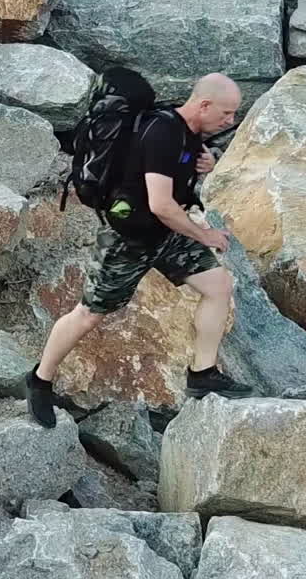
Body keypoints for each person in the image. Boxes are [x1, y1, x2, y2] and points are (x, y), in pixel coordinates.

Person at [26, 72, 254, 427]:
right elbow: (161, 203)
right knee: (90, 313)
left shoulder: (189, 132)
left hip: (165, 233)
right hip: (129, 238)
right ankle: (39, 380)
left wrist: (206, 163)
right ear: (204, 104)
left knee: (218, 286)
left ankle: (202, 373)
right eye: (226, 114)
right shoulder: (162, 131)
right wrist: (204, 234)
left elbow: (177, 180)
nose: (231, 121)